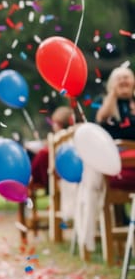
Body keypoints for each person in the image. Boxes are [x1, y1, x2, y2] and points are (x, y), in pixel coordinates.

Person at [76, 65, 135, 257]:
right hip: (112, 166)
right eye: (119, 78)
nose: (124, 81)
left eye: (127, 77)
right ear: (112, 84)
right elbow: (99, 124)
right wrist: (113, 96)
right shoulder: (103, 103)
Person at [29, 105, 74, 191]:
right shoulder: (68, 138)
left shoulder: (57, 140)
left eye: (54, 123)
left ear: (59, 124)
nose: (52, 126)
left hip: (48, 176)